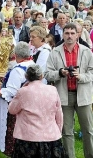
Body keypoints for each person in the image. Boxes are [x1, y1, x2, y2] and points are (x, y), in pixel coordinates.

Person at [45, 23, 93, 158]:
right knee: (66, 131)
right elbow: (47, 73)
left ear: (77, 34)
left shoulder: (86, 51)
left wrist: (81, 76)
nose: (70, 36)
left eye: (72, 33)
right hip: (64, 95)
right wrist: (60, 73)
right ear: (63, 34)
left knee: (88, 130)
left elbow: (92, 72)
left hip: (83, 95)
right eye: (67, 33)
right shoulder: (55, 52)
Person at [0, 41, 34, 157]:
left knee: (11, 135)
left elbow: (11, 92)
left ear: (16, 55)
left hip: (14, 107)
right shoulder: (32, 64)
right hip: (28, 105)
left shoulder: (18, 70)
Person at [9, 64, 66, 157]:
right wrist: (58, 131)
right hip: (51, 136)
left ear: (26, 76)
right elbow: (59, 114)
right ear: (41, 76)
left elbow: (12, 110)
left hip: (27, 138)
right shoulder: (52, 90)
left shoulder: (23, 91)